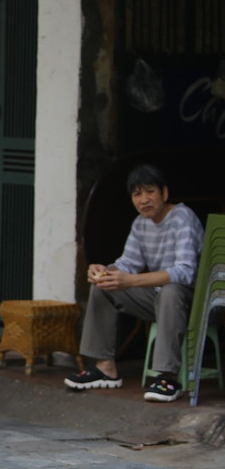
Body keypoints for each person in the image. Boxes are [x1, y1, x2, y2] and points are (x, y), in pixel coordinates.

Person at [65, 164, 204, 402]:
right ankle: (105, 368)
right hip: (157, 298)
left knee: (171, 291)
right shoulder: (140, 224)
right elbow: (127, 263)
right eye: (137, 194)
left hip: (191, 302)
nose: (144, 200)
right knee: (104, 286)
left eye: (150, 191)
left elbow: (185, 272)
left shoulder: (182, 217)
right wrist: (105, 272)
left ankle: (166, 377)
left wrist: (131, 280)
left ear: (165, 193)